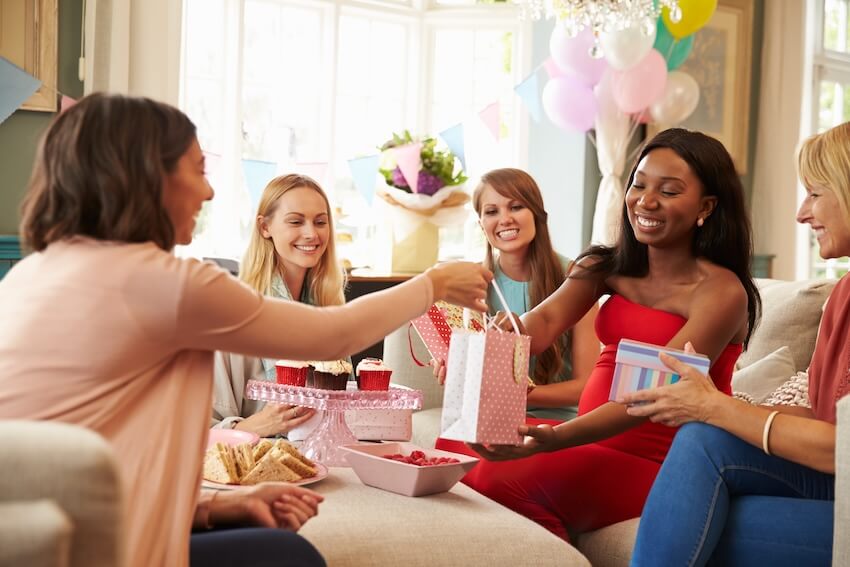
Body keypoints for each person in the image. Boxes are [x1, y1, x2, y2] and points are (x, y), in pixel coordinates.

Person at [0, 93, 491, 567]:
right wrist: (434, 282)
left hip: (65, 529)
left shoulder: (31, 274)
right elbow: (332, 336)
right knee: (292, 556)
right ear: (148, 176)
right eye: (198, 169)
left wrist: (213, 510)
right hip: (100, 549)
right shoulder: (164, 284)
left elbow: (94, 461)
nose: (209, 191)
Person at [461, 128, 761, 540]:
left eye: (669, 191)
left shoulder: (722, 292)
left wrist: (555, 439)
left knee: (499, 479)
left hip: (667, 460)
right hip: (591, 439)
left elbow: (653, 394)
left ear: (705, 207)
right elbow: (543, 323)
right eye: (638, 184)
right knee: (457, 452)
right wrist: (487, 348)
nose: (646, 200)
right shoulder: (604, 267)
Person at [623, 124, 850, 567]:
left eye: (815, 193)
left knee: (704, 516)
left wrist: (717, 406)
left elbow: (839, 446)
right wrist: (713, 405)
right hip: (836, 481)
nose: (802, 214)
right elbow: (821, 417)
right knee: (702, 443)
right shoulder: (843, 295)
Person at [432, 168, 599, 423]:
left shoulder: (576, 278)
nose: (505, 219)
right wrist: (456, 372)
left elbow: (586, 385)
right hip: (491, 418)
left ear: (537, 214)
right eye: (491, 211)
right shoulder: (472, 284)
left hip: (557, 424)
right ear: (481, 224)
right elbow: (474, 379)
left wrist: (515, 394)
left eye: (516, 207)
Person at [212, 174, 349, 436]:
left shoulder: (331, 310)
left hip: (325, 461)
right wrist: (255, 427)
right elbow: (196, 434)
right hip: (259, 468)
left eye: (320, 222)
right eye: (296, 221)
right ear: (265, 227)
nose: (311, 233)